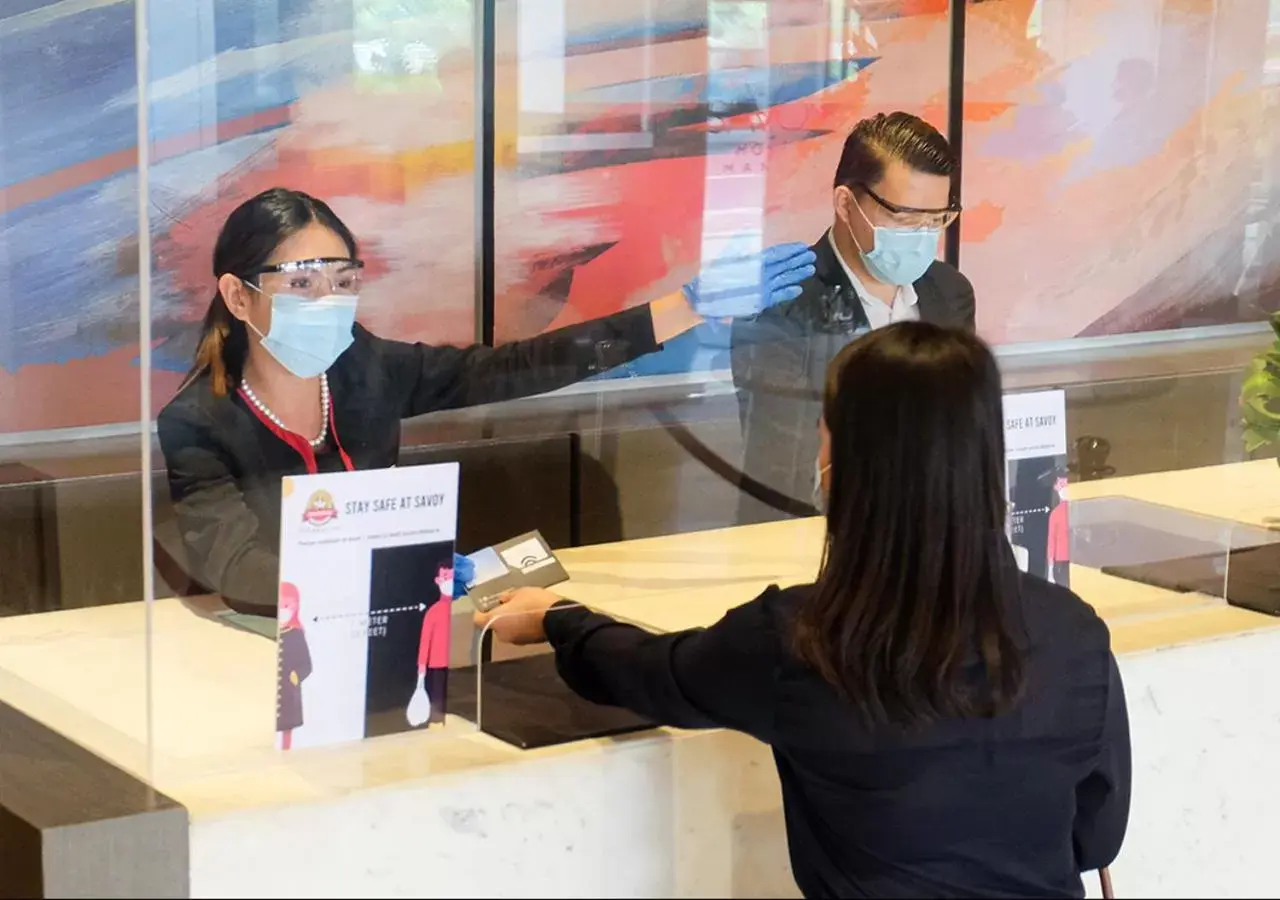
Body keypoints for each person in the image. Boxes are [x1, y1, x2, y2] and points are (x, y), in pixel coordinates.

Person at [478, 322, 1131, 899]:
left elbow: (650, 674)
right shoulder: (1074, 633)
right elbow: (1095, 836)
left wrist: (559, 619)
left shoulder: (799, 642)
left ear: (849, 463)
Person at [158, 188, 815, 615]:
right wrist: (401, 571)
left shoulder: (365, 369)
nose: (328, 303)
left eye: (342, 280)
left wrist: (685, 308)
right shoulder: (197, 422)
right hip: (266, 655)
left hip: (399, 631)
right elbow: (239, 570)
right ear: (240, 297)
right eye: (302, 283)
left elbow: (511, 370)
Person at [730, 111, 975, 523]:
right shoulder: (782, 305)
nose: (922, 235)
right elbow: (781, 473)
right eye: (904, 217)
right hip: (820, 538)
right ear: (846, 203)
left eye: (936, 219)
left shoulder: (950, 294)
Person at [276, 582, 312, 751]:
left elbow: (306, 664)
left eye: (287, 605)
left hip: (289, 693)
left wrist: (296, 675)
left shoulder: (296, 634)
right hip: (274, 689)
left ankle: (286, 750)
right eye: (280, 605)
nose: (283, 610)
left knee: (286, 726)